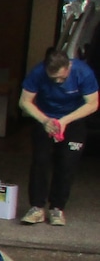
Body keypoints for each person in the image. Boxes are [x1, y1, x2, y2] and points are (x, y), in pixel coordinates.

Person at [18, 47, 99, 225]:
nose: (58, 81)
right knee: (40, 161)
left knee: (67, 163)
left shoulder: (83, 73)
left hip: (73, 118)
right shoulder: (38, 73)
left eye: (62, 78)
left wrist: (65, 121)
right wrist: (45, 120)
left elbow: (93, 104)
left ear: (68, 66)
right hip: (45, 117)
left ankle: (57, 208)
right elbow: (24, 101)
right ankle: (37, 207)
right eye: (53, 78)